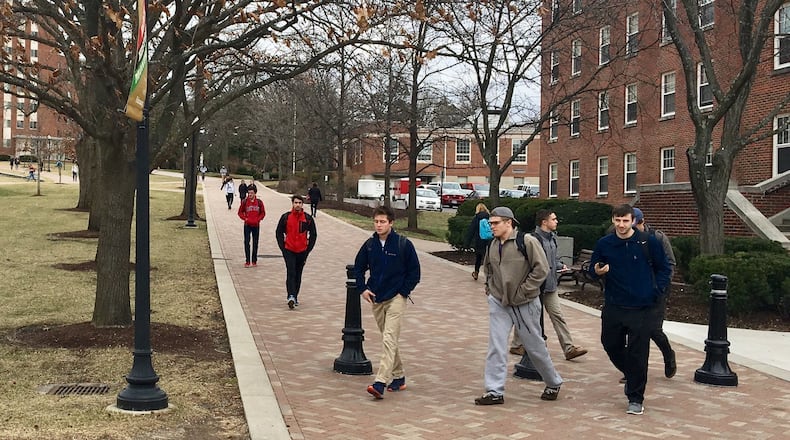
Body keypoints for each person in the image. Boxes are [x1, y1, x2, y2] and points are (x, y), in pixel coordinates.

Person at [588, 204, 672, 416]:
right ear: (613, 220)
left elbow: (664, 268)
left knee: (638, 353)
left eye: (625, 220)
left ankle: (635, 397)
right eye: (617, 220)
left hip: (642, 307)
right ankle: (632, 374)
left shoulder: (648, 241)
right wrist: (598, 271)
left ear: (633, 221)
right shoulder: (605, 243)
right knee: (610, 344)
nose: (621, 225)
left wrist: (656, 290)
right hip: (614, 305)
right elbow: (593, 269)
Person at [475, 206, 563, 405]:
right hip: (499, 302)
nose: (492, 227)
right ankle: (494, 391)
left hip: (525, 303)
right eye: (490, 223)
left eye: (495, 223)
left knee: (535, 347)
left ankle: (553, 382)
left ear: (509, 222)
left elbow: (542, 269)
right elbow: (488, 268)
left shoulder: (527, 241)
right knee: (496, 346)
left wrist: (525, 291)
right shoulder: (492, 245)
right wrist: (490, 288)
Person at [354, 206, 421, 399]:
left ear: (391, 223)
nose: (379, 225)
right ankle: (399, 377)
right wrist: (362, 288)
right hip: (376, 298)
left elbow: (415, 272)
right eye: (376, 221)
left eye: (382, 222)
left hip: (396, 298)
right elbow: (358, 267)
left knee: (389, 338)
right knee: (388, 339)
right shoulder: (370, 245)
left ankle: (380, 382)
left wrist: (403, 292)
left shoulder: (403, 244)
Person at [532, 209, 588, 361]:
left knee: (557, 315)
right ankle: (518, 344)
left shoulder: (552, 238)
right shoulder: (533, 239)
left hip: (550, 286)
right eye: (554, 219)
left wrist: (559, 265)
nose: (556, 221)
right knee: (530, 317)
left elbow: (554, 259)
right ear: (544, 222)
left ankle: (569, 348)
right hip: (535, 287)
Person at [632, 208, 677, 380]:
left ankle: (668, 354)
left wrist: (660, 286)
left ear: (642, 222)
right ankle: (633, 369)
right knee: (633, 329)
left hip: (657, 289)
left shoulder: (657, 238)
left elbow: (670, 263)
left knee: (653, 329)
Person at [275, 195, 317, 309]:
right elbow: (279, 232)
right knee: (291, 272)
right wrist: (283, 247)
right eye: (295, 203)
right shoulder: (286, 217)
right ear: (292, 204)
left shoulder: (307, 218)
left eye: (299, 203)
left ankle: (295, 296)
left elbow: (313, 234)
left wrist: (308, 249)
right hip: (289, 250)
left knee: (298, 274)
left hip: (302, 251)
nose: (297, 205)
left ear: (302, 204)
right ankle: (291, 296)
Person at [238, 186, 266, 268]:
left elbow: (263, 213)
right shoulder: (244, 202)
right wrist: (245, 218)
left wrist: (259, 219)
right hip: (247, 225)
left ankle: (254, 260)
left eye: (251, 193)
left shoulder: (259, 202)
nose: (250, 194)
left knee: (255, 243)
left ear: (255, 193)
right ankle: (247, 261)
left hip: (256, 225)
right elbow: (240, 212)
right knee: (247, 242)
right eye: (249, 193)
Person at [465, 203, 492, 281]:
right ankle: (489, 275)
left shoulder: (476, 218)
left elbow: (471, 231)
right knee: (489, 258)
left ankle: (476, 272)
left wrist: (467, 243)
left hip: (479, 241)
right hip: (489, 241)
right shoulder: (490, 218)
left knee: (478, 258)